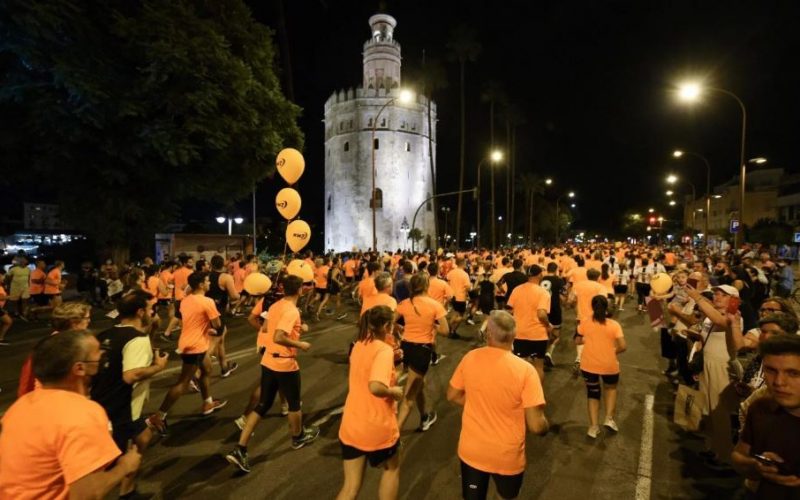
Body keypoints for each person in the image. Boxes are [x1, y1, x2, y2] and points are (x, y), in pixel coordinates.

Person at [0, 330, 141, 498]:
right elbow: (87, 493)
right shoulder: (81, 413)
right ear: (80, 368)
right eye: (98, 351)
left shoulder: (20, 406)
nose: (103, 354)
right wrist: (125, 466)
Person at [447, 310, 548, 500]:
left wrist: (478, 403)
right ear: (514, 336)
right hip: (507, 455)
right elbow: (536, 425)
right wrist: (545, 425)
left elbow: (452, 394)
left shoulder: (470, 358)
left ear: (489, 334)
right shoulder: (526, 371)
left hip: (472, 451)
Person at [225, 274, 319, 473]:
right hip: (284, 363)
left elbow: (267, 327)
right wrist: (299, 343)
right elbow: (278, 336)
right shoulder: (292, 310)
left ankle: (240, 448)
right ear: (300, 290)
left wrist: (297, 328)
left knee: (263, 404)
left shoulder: (276, 305)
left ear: (283, 289)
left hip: (267, 360)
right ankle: (298, 437)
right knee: (294, 403)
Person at [90, 290, 168, 498]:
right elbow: (131, 376)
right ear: (141, 311)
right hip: (122, 407)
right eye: (151, 309)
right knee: (108, 465)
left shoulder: (105, 335)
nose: (154, 312)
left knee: (143, 437)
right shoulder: (136, 339)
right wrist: (158, 367)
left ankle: (128, 490)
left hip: (100, 401)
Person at [336, 305, 404, 500]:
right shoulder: (384, 351)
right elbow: (375, 386)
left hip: (351, 424)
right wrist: (393, 391)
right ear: (386, 326)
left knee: (350, 487)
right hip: (376, 425)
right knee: (392, 470)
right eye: (392, 323)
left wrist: (393, 368)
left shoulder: (359, 344)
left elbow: (367, 372)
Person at [148, 271, 227, 433]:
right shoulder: (207, 301)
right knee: (183, 383)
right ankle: (159, 416)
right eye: (207, 281)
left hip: (189, 342)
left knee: (207, 369)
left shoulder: (185, 301)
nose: (209, 283)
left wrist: (207, 330)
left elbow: (192, 321)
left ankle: (207, 403)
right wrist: (213, 329)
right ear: (200, 285)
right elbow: (217, 325)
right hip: (195, 346)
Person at [731, 335, 800, 498]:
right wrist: (756, 466)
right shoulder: (761, 408)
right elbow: (739, 455)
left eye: (793, 373)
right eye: (771, 370)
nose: (779, 382)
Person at [395, 274, 449, 431]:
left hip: (405, 348)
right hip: (421, 350)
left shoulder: (405, 303)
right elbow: (445, 330)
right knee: (408, 398)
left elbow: (390, 321)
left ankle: (425, 416)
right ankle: (392, 439)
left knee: (419, 384)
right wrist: (433, 325)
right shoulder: (435, 305)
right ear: (427, 286)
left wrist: (399, 329)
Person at [576, 295, 627, 438]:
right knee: (610, 389)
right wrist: (613, 351)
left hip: (588, 365)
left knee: (593, 394)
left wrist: (587, 339)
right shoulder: (614, 325)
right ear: (607, 307)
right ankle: (609, 419)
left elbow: (577, 340)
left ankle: (593, 427)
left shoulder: (585, 322)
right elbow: (623, 346)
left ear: (592, 306)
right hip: (609, 364)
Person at [507, 265, 552, 381]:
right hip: (538, 334)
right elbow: (542, 314)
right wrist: (548, 325)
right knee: (538, 367)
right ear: (539, 275)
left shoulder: (517, 290)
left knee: (521, 366)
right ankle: (536, 394)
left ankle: (521, 393)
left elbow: (509, 310)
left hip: (520, 333)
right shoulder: (543, 292)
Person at [207, 255, 240, 378]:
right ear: (224, 264)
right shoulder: (226, 277)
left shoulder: (205, 276)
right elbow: (233, 296)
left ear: (211, 264)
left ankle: (224, 368)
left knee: (220, 339)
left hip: (205, 311)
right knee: (213, 343)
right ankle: (195, 374)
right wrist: (239, 296)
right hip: (217, 313)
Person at [541, 262, 565, 368]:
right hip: (555, 309)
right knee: (556, 335)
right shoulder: (559, 280)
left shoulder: (541, 279)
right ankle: (549, 353)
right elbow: (563, 295)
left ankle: (541, 354)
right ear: (556, 270)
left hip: (542, 308)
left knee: (543, 332)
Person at [447, 257, 471, 339]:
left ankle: (452, 330)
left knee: (456, 313)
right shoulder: (464, 274)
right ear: (463, 263)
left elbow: (448, 282)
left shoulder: (451, 272)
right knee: (461, 316)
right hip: (461, 297)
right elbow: (468, 287)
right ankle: (451, 328)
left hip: (452, 296)